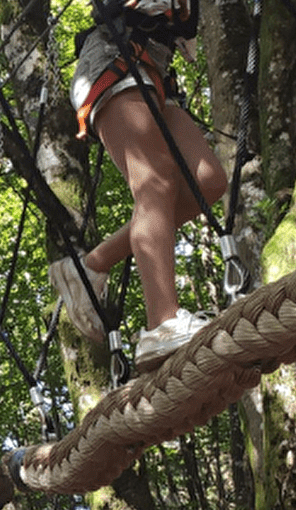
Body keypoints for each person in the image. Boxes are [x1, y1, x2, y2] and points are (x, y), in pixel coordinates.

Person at [51, 0, 228, 370]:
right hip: (114, 57)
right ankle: (162, 323)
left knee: (207, 182)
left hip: (155, 73)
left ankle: (91, 265)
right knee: (154, 182)